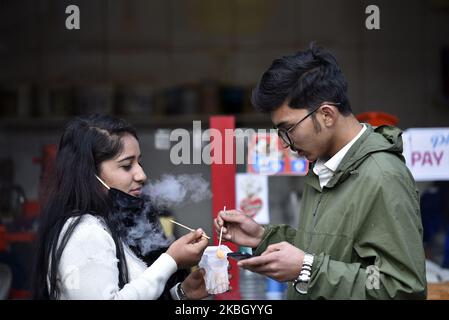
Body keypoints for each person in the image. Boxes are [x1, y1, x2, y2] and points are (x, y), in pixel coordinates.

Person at [215, 43, 427, 299]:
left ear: (327, 114)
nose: (284, 143)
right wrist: (262, 236)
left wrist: (307, 269)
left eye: (289, 129)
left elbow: (403, 288)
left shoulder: (382, 176)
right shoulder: (324, 168)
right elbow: (327, 251)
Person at [32, 114, 209, 300]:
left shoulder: (113, 224)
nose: (141, 175)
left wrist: (181, 293)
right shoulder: (85, 232)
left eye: (138, 162)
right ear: (89, 174)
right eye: (126, 165)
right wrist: (170, 261)